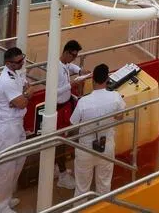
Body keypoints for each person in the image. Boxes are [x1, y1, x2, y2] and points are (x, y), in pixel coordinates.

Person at [69, 63, 126, 196]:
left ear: (93, 80)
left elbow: (73, 124)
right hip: (106, 146)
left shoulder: (83, 102)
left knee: (82, 188)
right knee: (104, 185)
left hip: (85, 148)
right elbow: (119, 117)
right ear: (107, 80)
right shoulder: (116, 97)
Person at [0, 47, 37, 213]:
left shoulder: (17, 72)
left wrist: (23, 95)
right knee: (6, 169)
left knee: (18, 164)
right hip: (8, 127)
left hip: (17, 124)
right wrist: (25, 95)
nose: (22, 62)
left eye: (22, 59)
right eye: (18, 61)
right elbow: (22, 102)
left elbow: (26, 91)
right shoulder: (6, 81)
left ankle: (6, 199)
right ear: (8, 63)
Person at [54, 39, 90, 189]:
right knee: (60, 141)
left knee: (63, 139)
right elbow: (53, 92)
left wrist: (79, 71)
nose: (74, 59)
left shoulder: (63, 64)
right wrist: (71, 84)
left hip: (65, 105)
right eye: (73, 56)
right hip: (59, 107)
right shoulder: (56, 69)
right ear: (66, 52)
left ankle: (58, 168)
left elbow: (70, 66)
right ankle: (62, 175)